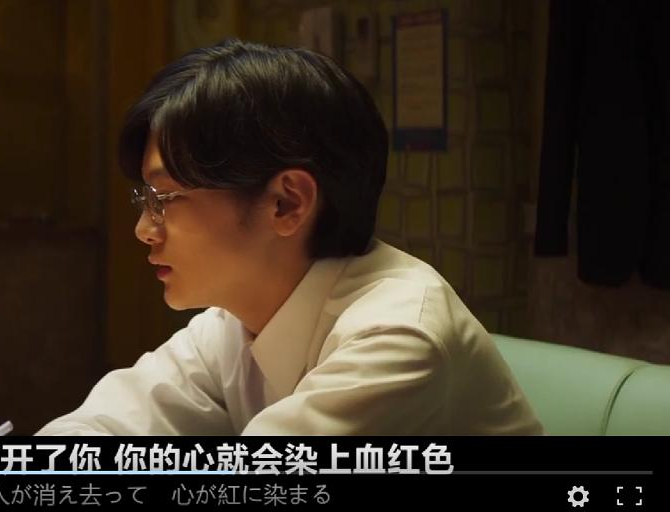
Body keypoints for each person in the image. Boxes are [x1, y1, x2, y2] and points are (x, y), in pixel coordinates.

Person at [37, 39, 542, 435]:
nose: (144, 230)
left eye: (165, 198)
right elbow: (101, 428)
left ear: (287, 203)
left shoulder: (398, 336)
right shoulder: (236, 318)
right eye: (145, 199)